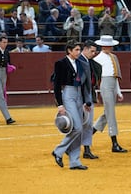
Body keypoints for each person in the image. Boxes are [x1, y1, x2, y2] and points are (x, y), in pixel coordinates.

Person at [51, 40, 92, 170]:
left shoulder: (81, 63)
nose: (79, 52)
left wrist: (86, 100)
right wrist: (60, 104)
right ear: (69, 50)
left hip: (79, 95)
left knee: (79, 130)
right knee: (78, 128)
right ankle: (59, 150)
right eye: (76, 50)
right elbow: (56, 85)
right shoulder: (61, 63)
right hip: (68, 94)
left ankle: (74, 161)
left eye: (79, 50)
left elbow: (85, 84)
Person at [92, 35, 127, 153]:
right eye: (109, 45)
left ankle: (90, 132)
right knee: (110, 113)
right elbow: (95, 78)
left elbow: (116, 77)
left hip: (111, 84)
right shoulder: (97, 59)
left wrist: (119, 91)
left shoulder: (113, 57)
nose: (111, 47)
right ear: (104, 46)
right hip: (105, 85)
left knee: (108, 113)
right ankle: (114, 143)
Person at [79, 40, 100, 159]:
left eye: (95, 52)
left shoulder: (89, 62)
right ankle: (69, 147)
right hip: (80, 97)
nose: (93, 53)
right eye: (92, 51)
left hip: (89, 95)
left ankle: (86, 149)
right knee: (78, 124)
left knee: (88, 124)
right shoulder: (79, 61)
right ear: (85, 49)